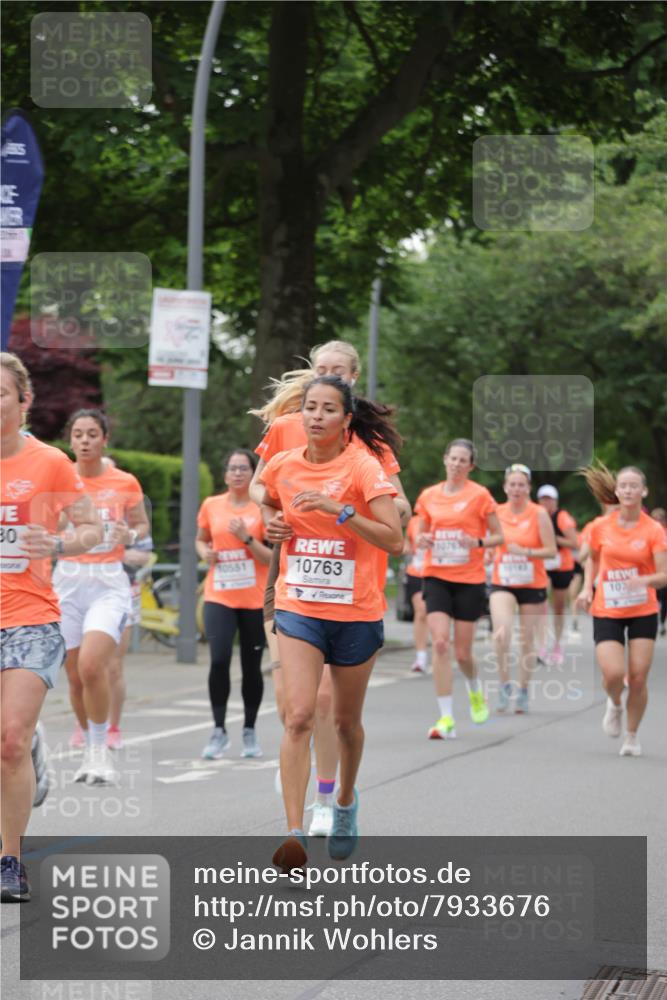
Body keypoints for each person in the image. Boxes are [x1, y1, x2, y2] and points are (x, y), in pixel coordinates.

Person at [249, 340, 410, 837]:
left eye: (332, 385)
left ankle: (342, 798)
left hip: (356, 605)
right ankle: (294, 834)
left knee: (343, 721)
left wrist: (345, 509)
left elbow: (396, 530)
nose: (315, 414)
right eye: (316, 379)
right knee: (300, 712)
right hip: (297, 596)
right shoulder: (283, 449)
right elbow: (264, 491)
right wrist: (272, 520)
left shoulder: (367, 458)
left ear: (349, 401)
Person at [1, 353, 101, 902]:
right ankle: (32, 742)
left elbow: (92, 528)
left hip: (31, 619)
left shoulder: (50, 464)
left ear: (24, 401)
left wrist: (59, 544)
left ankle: (9, 861)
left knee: (8, 742)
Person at [55, 409, 149, 785]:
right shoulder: (59, 481)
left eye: (92, 434)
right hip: (67, 582)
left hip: (108, 582)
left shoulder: (124, 481)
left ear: (104, 439)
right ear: (70, 440)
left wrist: (130, 534)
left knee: (95, 666)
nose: (84, 441)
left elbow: (142, 526)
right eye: (78, 434)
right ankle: (91, 749)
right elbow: (44, 525)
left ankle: (100, 749)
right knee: (76, 678)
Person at [577, 464, 667, 757]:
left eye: (633, 486)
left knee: (638, 677)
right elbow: (591, 559)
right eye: (623, 485)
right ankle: (614, 703)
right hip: (608, 608)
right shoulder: (600, 527)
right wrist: (585, 588)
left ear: (644, 491)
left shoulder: (653, 530)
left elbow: (664, 574)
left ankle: (631, 735)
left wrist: (644, 580)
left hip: (642, 607)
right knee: (614, 674)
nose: (628, 490)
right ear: (616, 491)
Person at [415, 439, 503, 739]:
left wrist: (477, 543)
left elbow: (498, 536)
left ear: (471, 466)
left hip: (469, 578)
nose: (456, 464)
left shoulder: (480, 496)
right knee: (440, 643)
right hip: (437, 574)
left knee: (463, 654)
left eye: (463, 460)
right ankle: (446, 718)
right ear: (445, 460)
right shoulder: (429, 495)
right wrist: (422, 538)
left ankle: (475, 690)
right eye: (452, 458)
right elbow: (419, 529)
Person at [196, 449, 272, 759]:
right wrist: (204, 553)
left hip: (254, 598)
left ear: (253, 474)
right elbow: (201, 539)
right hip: (220, 594)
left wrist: (247, 539)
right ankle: (218, 730)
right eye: (233, 468)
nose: (238, 473)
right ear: (225, 475)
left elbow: (272, 557)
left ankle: (250, 730)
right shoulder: (211, 505)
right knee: (219, 659)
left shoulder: (262, 507)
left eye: (244, 468)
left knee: (251, 666)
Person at [488, 464, 557, 713]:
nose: (516, 489)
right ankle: (505, 684)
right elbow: (489, 540)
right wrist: (487, 553)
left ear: (528, 488)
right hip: (503, 581)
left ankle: (524, 689)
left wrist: (526, 552)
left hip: (532, 583)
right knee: (501, 633)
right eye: (512, 484)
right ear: (505, 487)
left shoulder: (538, 514)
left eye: (521, 485)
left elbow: (551, 550)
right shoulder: (495, 511)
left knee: (526, 640)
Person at [536, 485, 578, 666]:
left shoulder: (562, 517)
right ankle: (542, 647)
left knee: (558, 608)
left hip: (561, 566)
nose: (546, 502)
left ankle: (558, 646)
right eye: (543, 499)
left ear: (556, 501)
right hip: (542, 565)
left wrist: (552, 536)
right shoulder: (535, 515)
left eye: (549, 499)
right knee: (541, 605)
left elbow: (574, 543)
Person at [404, 514, 428, 673]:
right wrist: (404, 548)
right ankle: (421, 657)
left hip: (439, 574)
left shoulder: (444, 518)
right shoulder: (414, 521)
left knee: (436, 615)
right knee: (421, 612)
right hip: (416, 572)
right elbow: (407, 543)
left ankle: (444, 646)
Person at [650, 508, 667, 637]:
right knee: (654, 597)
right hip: (651, 572)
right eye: (655, 518)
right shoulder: (648, 532)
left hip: (664, 572)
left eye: (660, 518)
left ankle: (661, 622)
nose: (658, 521)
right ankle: (653, 621)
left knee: (665, 599)